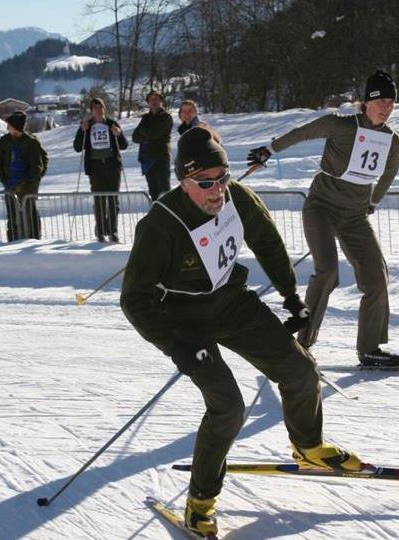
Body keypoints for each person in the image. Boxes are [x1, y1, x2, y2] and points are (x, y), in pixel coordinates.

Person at [120, 127, 364, 537]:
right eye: (205, 183)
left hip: (231, 303)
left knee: (301, 370)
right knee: (228, 406)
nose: (217, 191)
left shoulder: (237, 199)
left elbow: (267, 242)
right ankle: (200, 503)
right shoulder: (161, 225)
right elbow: (134, 300)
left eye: (223, 178)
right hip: (183, 320)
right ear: (184, 180)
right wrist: (177, 346)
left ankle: (308, 446)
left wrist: (291, 298)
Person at [247, 70, 399, 367]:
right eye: (381, 100)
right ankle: (302, 343)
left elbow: (388, 174)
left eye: (391, 102)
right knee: (328, 271)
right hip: (321, 207)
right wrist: (268, 150)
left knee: (376, 278)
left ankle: (370, 348)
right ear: (366, 102)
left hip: (355, 217)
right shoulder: (340, 125)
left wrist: (373, 202)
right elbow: (302, 132)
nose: (386, 107)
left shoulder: (393, 142)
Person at [74, 98, 129, 242]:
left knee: (113, 200)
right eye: (95, 107)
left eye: (100, 107)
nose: (98, 109)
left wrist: (119, 134)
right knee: (99, 199)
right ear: (91, 110)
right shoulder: (87, 125)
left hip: (112, 167)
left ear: (104, 109)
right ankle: (100, 230)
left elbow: (123, 145)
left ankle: (113, 231)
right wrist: (81, 131)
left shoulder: (111, 124)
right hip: (95, 168)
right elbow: (77, 147)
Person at [0, 111, 48, 241]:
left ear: (16, 126)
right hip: (10, 184)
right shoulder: (4, 141)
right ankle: (13, 239)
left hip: (27, 186)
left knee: (28, 216)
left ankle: (31, 240)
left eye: (10, 125)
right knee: (12, 215)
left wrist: (32, 182)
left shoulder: (31, 142)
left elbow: (38, 164)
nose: (8, 128)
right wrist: (4, 181)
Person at [132, 90, 173, 199]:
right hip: (147, 160)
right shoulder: (145, 118)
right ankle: (157, 216)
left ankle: (168, 216)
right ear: (148, 102)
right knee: (154, 194)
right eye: (151, 99)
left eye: (156, 99)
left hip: (160, 159)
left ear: (161, 101)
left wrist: (144, 132)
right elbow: (134, 137)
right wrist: (148, 134)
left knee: (164, 193)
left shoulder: (166, 117)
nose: (154, 101)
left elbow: (155, 133)